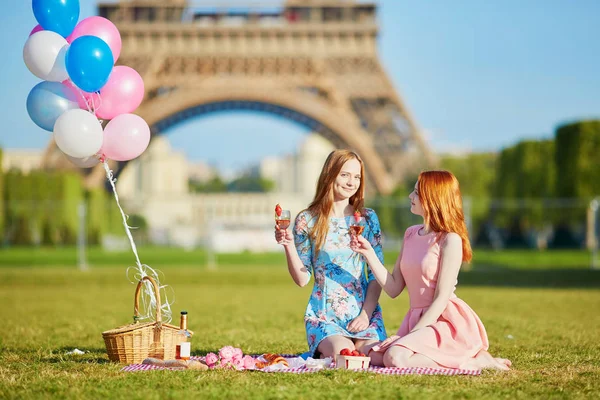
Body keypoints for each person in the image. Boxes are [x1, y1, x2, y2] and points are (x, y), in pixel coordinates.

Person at [350, 170, 511, 370]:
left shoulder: (450, 240)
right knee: (370, 354)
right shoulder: (410, 234)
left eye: (416, 193)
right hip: (416, 320)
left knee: (395, 358)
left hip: (443, 319)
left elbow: (441, 299)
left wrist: (409, 337)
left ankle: (474, 362)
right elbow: (393, 288)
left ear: (433, 198)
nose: (410, 196)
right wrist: (368, 253)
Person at [275, 149, 387, 361]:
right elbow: (301, 279)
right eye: (344, 174)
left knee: (378, 357)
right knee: (344, 355)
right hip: (325, 316)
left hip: (364, 313)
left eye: (357, 177)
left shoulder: (368, 218)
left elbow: (376, 274)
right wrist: (288, 245)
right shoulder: (307, 220)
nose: (351, 182)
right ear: (330, 174)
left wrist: (365, 315)